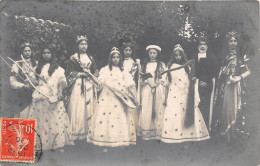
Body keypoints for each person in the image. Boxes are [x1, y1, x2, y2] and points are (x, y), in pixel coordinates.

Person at [20, 46, 74, 150]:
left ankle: (56, 143)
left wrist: (60, 92)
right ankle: (42, 143)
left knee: (54, 119)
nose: (46, 55)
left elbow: (62, 82)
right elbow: (35, 83)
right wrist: (29, 78)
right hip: (41, 96)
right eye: (44, 53)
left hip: (52, 96)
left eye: (48, 53)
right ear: (41, 54)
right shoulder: (37, 68)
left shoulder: (58, 69)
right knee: (41, 120)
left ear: (52, 54)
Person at [87, 47, 137, 147]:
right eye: (113, 57)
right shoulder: (104, 70)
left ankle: (119, 140)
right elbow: (99, 83)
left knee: (119, 118)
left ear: (120, 59)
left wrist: (135, 98)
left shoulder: (124, 71)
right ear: (110, 58)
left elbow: (130, 85)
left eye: (117, 57)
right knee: (106, 119)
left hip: (119, 99)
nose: (115, 59)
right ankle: (105, 140)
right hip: (106, 98)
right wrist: (91, 75)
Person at [160, 44, 210, 143]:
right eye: (176, 55)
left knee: (185, 113)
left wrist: (194, 80)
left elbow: (190, 80)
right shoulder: (170, 67)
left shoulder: (186, 67)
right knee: (174, 114)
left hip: (185, 94)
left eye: (180, 55)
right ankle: (174, 136)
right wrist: (165, 97)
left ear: (183, 56)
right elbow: (166, 82)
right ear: (173, 56)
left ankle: (188, 136)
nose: (178, 57)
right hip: (174, 94)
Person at [214, 31, 251, 139]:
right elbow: (221, 72)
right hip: (225, 86)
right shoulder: (225, 57)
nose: (233, 43)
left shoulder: (241, 57)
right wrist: (224, 72)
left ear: (237, 43)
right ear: (228, 43)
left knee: (234, 108)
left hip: (236, 86)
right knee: (225, 109)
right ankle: (226, 134)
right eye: (231, 41)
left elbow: (249, 71)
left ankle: (235, 133)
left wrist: (239, 78)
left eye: (235, 41)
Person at [65, 35, 99, 140]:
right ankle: (78, 131)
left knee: (90, 106)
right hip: (79, 85)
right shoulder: (73, 58)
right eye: (81, 44)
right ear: (78, 46)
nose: (83, 46)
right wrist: (80, 74)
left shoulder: (91, 58)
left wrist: (95, 75)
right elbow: (69, 72)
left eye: (85, 44)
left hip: (89, 84)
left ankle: (90, 130)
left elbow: (95, 69)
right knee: (78, 106)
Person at [137, 45, 167, 140]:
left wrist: (158, 83)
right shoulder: (145, 64)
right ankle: (147, 131)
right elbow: (141, 76)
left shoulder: (161, 64)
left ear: (157, 54)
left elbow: (164, 76)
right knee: (147, 108)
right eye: (151, 53)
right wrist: (146, 82)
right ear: (148, 54)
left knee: (158, 108)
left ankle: (158, 131)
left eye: (154, 53)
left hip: (158, 87)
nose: (152, 55)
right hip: (147, 88)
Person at [193, 34, 218, 130]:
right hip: (197, 82)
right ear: (198, 46)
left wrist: (206, 81)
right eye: (200, 44)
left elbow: (214, 71)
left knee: (207, 104)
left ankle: (207, 127)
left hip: (209, 82)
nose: (202, 46)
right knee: (197, 103)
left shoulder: (212, 57)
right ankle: (197, 127)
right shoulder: (194, 57)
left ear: (207, 46)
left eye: (204, 44)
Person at [9, 42, 38, 115]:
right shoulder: (17, 64)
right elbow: (12, 81)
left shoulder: (36, 63)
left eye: (29, 51)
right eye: (25, 51)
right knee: (24, 114)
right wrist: (23, 86)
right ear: (22, 52)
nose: (27, 53)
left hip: (36, 92)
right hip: (22, 94)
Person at [121, 41, 141, 128]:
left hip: (132, 86)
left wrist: (139, 65)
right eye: (126, 50)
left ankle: (132, 126)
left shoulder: (134, 62)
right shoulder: (120, 62)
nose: (128, 52)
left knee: (132, 104)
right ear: (123, 51)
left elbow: (139, 75)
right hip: (122, 86)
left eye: (129, 50)